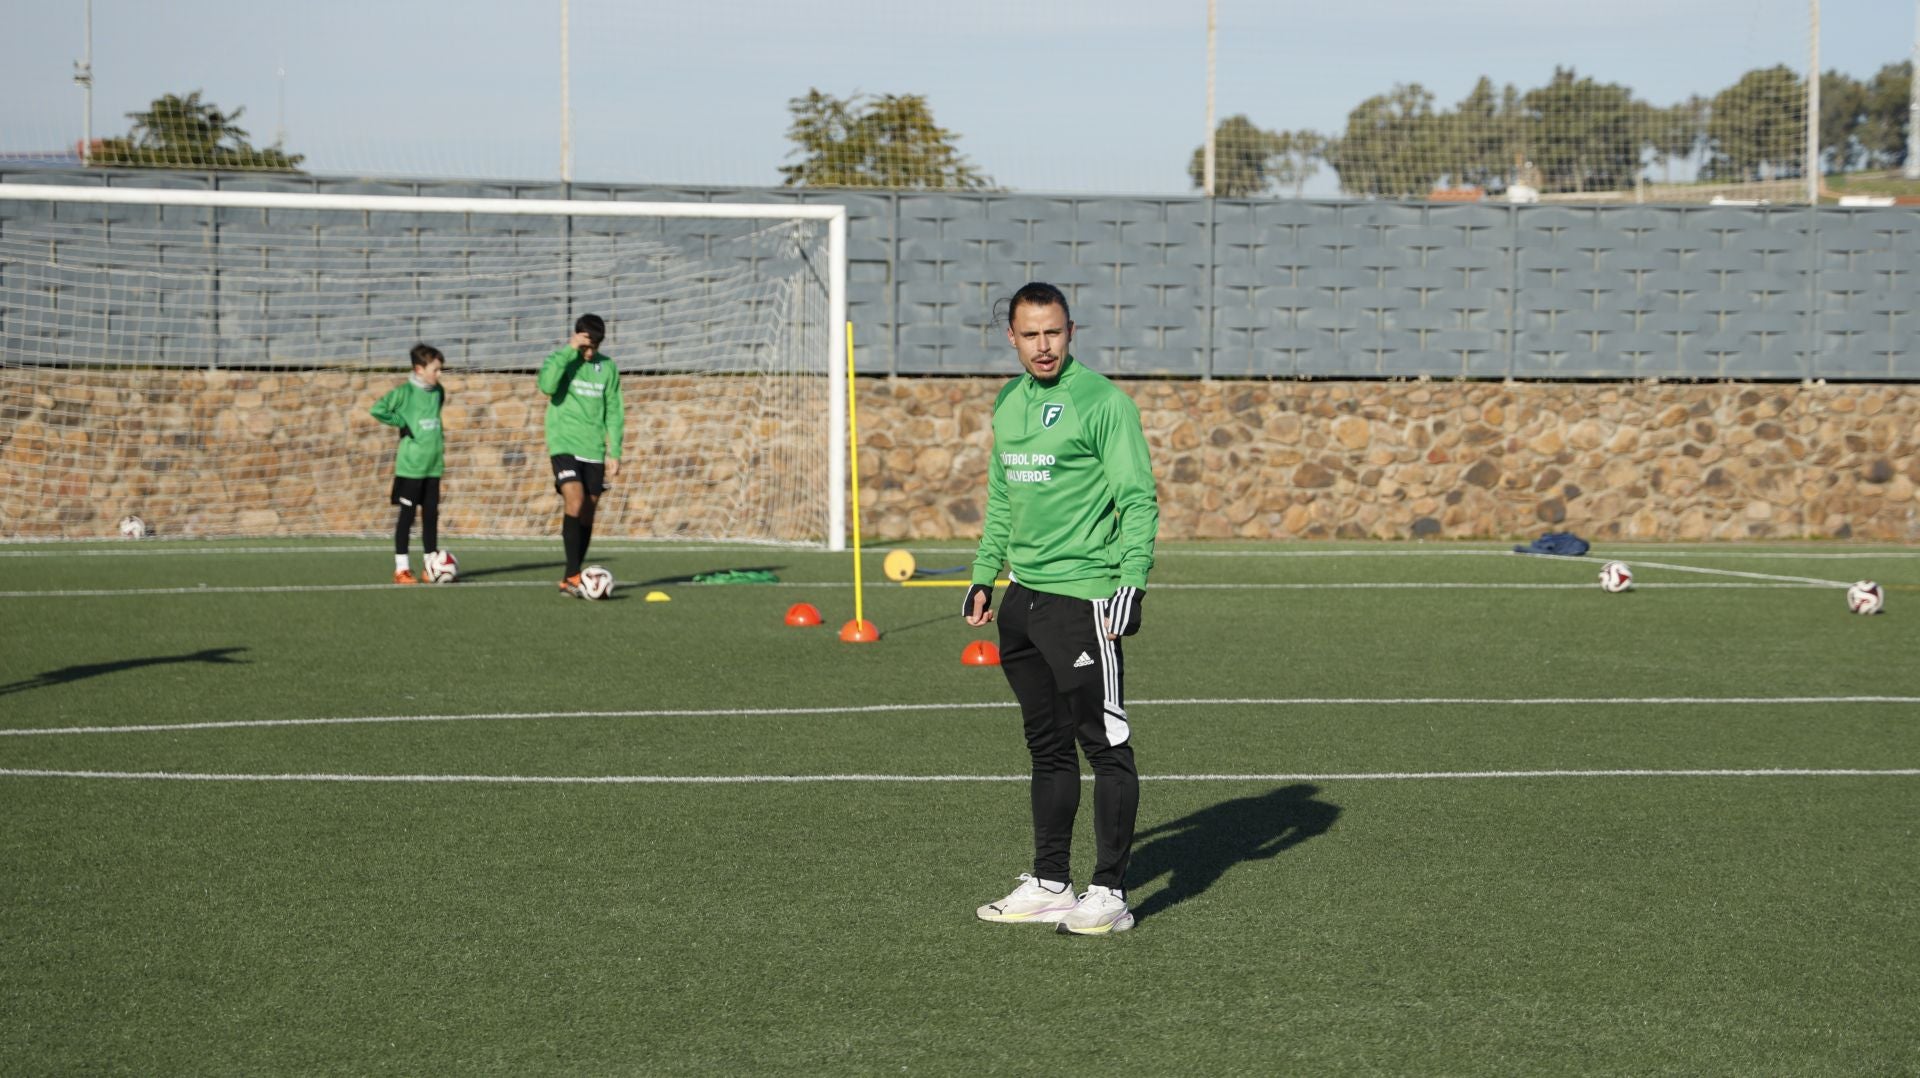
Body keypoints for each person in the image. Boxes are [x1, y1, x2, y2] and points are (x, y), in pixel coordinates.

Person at [964, 282, 1159, 935]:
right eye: (1030, 335)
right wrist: (985, 574)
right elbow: (1002, 496)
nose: (1043, 346)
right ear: (1012, 338)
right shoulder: (1009, 403)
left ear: (1070, 331)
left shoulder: (1104, 403)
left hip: (1086, 599)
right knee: (1046, 746)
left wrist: (1132, 578)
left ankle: (1110, 892)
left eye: (1053, 333)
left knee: (1105, 747)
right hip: (1025, 602)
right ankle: (1051, 882)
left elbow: (1137, 498)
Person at [539, 313, 625, 596]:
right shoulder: (561, 359)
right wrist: (569, 350)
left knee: (588, 510)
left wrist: (615, 451)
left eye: (594, 347)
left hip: (594, 450)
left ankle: (569, 576)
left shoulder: (608, 367)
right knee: (574, 500)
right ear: (577, 337)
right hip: (564, 443)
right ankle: (575, 575)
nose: (589, 352)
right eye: (586, 345)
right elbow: (547, 387)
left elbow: (614, 409)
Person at [369, 343, 447, 585]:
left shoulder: (438, 392)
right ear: (419, 369)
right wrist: (401, 422)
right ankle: (401, 568)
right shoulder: (404, 392)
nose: (439, 374)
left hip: (433, 466)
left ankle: (430, 565)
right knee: (407, 516)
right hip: (410, 468)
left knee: (431, 515)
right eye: (435, 369)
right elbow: (378, 409)